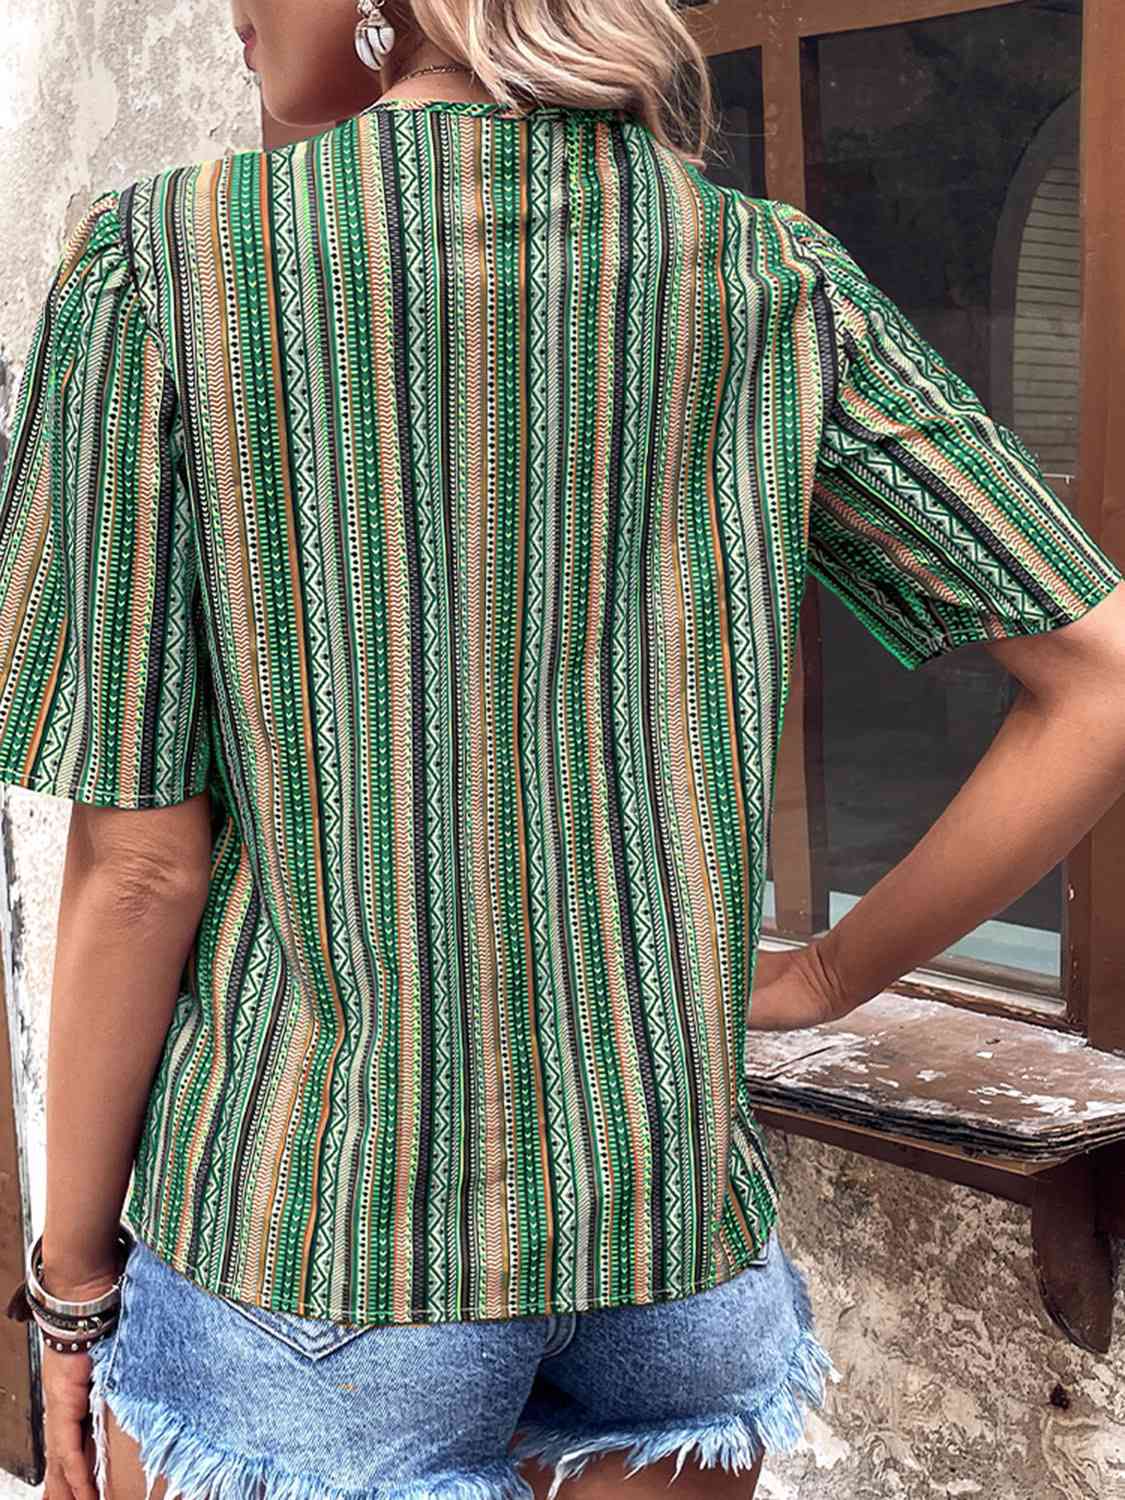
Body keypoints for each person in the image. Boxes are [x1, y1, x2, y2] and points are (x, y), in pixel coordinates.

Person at [2, 2, 1124, 1498]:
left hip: (313, 1234)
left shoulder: (167, 265)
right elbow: (1102, 683)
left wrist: (72, 1286)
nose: (236, 20)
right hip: (668, 1229)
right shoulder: (768, 274)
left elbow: (142, 869)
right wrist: (823, 977)